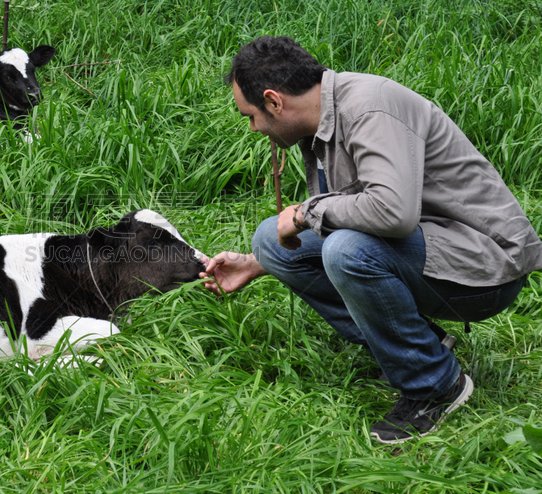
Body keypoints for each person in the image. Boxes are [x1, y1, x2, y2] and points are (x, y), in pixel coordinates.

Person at [201, 36, 542, 444]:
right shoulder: (323, 118)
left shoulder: (369, 106)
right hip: (433, 249)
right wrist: (260, 262)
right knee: (270, 242)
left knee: (347, 250)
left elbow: (392, 214)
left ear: (274, 101)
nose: (254, 128)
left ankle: (434, 385)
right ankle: (420, 344)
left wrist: (308, 212)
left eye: (251, 116)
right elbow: (355, 207)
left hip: (487, 269)